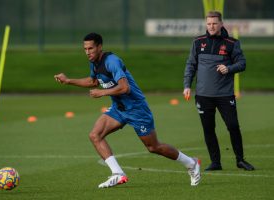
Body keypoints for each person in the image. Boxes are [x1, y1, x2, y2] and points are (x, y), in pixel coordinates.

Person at [54, 32, 201, 188]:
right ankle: (118, 174)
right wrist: (68, 80)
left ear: (99, 47)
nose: (87, 52)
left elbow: (125, 87)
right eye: (85, 49)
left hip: (137, 109)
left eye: (91, 48)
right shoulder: (94, 63)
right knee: (95, 135)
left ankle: (191, 163)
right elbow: (93, 81)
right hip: (119, 109)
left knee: (153, 147)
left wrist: (102, 92)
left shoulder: (112, 61)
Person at [183, 11, 254, 171]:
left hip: (225, 95)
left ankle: (240, 160)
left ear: (221, 24)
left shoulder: (231, 43)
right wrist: (187, 85)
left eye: (214, 23)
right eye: (208, 23)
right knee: (208, 129)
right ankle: (216, 162)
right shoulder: (198, 42)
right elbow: (191, 65)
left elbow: (242, 63)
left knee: (233, 126)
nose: (211, 26)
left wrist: (228, 68)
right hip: (203, 95)